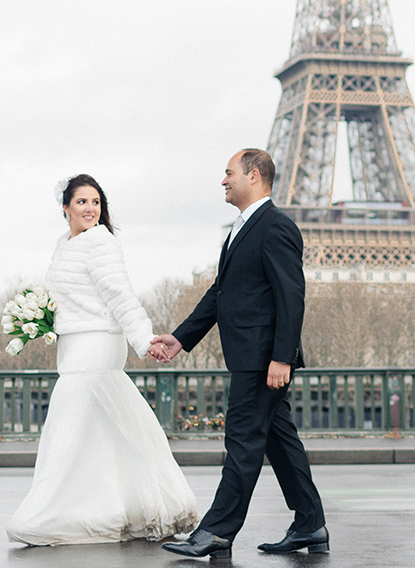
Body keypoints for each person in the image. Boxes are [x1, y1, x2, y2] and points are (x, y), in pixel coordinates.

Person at [149, 149, 328, 558]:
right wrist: (181, 338)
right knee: (279, 441)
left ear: (254, 175)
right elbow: (221, 293)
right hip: (253, 356)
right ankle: (311, 524)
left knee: (243, 440)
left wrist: (282, 357)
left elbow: (291, 296)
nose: (223, 180)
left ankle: (217, 530)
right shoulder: (243, 228)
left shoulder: (276, 226)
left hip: (263, 359)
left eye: (229, 173)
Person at [6, 174, 198, 546]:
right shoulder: (64, 245)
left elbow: (120, 294)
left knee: (70, 429)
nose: (90, 208)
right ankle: (111, 509)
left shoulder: (100, 242)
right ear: (66, 207)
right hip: (76, 344)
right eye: (82, 202)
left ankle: (50, 513)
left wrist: (144, 339)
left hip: (95, 344)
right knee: (98, 432)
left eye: (96, 202)